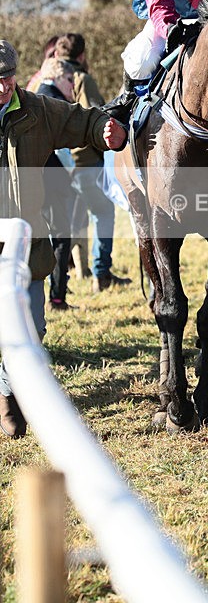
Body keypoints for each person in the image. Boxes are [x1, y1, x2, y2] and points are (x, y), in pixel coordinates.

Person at [0, 40, 127, 438]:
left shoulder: (36, 110)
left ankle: (9, 384)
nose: (1, 88)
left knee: (34, 328)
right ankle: (7, 398)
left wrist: (105, 129)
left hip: (27, 246)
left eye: (6, 79)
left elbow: (81, 120)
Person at [54, 33, 131, 293]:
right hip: (85, 163)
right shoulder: (82, 79)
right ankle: (101, 274)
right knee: (103, 214)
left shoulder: (47, 78)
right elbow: (95, 117)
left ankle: (64, 279)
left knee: (71, 223)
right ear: (82, 56)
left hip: (60, 164)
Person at [37, 58, 78, 310]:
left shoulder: (35, 96)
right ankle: (57, 297)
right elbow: (63, 148)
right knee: (61, 238)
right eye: (70, 80)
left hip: (34, 181)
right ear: (58, 77)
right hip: (50, 181)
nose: (73, 86)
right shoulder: (53, 102)